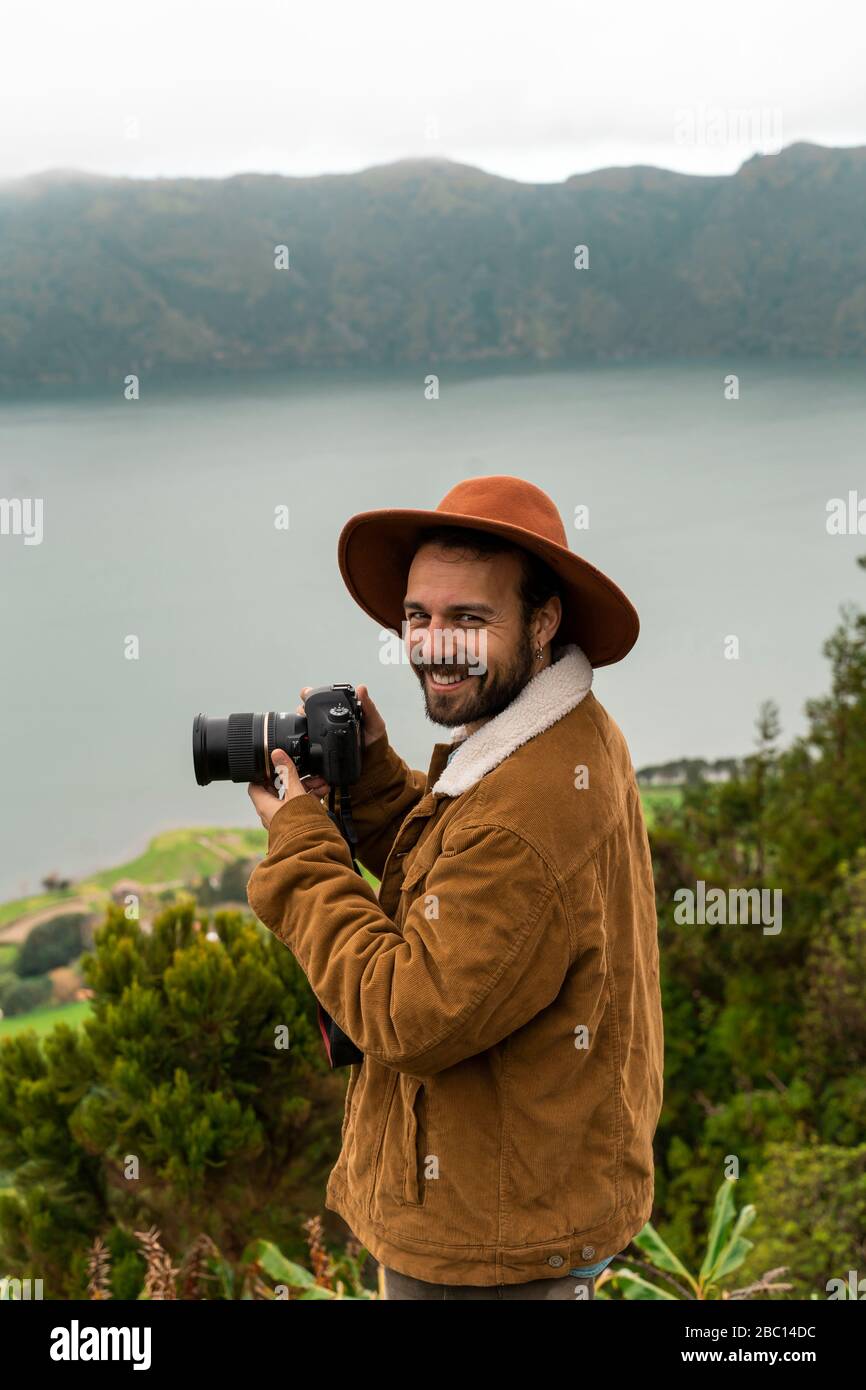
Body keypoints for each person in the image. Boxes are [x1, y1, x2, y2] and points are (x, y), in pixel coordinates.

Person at [246, 474, 664, 1301]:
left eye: (469, 620)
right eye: (418, 617)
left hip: (488, 1245)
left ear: (543, 621)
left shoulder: (528, 810)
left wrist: (300, 847)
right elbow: (466, 893)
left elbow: (408, 1013)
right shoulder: (558, 736)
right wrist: (369, 788)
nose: (434, 644)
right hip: (524, 1200)